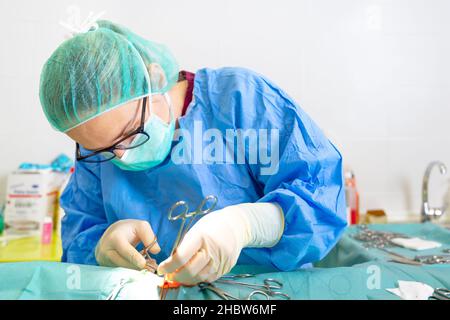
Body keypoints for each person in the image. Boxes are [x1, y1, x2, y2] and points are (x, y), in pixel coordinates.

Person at [39, 20, 347, 285]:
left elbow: (319, 199)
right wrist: (100, 247)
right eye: (102, 149)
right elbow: (80, 233)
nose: (120, 157)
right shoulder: (97, 148)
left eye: (130, 133)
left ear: (155, 79)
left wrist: (245, 226)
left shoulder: (238, 99)